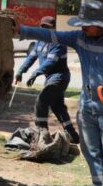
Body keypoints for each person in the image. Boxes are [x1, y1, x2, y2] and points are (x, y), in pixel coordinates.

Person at [16, 1, 103, 186]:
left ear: (100, 24)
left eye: (87, 24)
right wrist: (22, 30)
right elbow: (52, 36)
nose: (82, 27)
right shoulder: (80, 38)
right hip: (88, 107)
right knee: (90, 150)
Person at [15, 16, 80, 144]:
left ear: (53, 28)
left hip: (59, 78)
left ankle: (41, 132)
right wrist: (21, 71)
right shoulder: (39, 42)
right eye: (43, 26)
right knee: (58, 107)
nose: (44, 29)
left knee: (42, 100)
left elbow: (51, 62)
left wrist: (36, 73)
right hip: (50, 78)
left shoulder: (58, 43)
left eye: (47, 27)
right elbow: (31, 57)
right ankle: (73, 135)